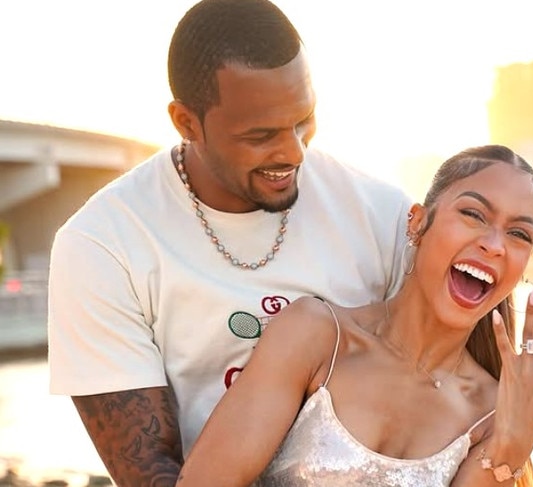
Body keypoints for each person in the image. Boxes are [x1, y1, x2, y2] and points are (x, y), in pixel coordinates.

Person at [47, 1, 412, 485]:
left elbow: (447, 399)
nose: (293, 152)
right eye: (260, 135)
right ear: (186, 122)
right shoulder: (102, 245)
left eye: (304, 120)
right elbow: (149, 470)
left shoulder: (383, 216)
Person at [176, 145, 533, 487]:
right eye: (473, 214)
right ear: (417, 223)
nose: (495, 244)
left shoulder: (493, 414)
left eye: (519, 234)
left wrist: (513, 443)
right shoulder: (316, 337)